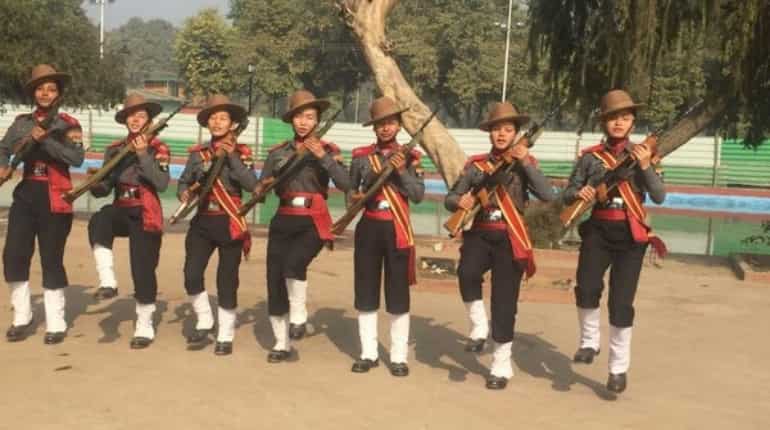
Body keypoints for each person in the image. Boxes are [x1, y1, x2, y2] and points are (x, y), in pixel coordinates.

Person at [445, 101, 555, 389]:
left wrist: (527, 161)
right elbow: (450, 198)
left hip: (510, 236)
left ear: (517, 133)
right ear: (489, 133)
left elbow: (547, 194)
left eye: (508, 129)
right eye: (496, 129)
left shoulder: (525, 166)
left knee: (504, 303)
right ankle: (479, 325)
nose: (502, 135)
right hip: (480, 232)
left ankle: (501, 365)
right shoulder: (476, 165)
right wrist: (461, 201)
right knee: (466, 274)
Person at [563, 89, 666, 393]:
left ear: (633, 122)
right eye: (612, 118)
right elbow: (568, 192)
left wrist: (645, 166)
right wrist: (577, 194)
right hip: (598, 229)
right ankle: (589, 342)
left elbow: (659, 196)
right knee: (586, 287)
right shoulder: (590, 158)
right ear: (603, 123)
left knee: (621, 304)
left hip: (631, 236)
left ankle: (618, 368)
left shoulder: (645, 155)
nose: (619, 123)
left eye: (625, 117)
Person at [259, 90, 351, 363]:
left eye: (310, 117)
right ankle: (281, 343)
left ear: (318, 121)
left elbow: (346, 184)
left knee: (295, 264)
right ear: (291, 120)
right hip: (284, 218)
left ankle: (298, 315)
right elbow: (261, 186)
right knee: (275, 279)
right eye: (299, 116)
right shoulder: (278, 153)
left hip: (313, 220)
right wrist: (261, 186)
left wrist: (322, 156)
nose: (303, 122)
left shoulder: (329, 151)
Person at [0, 64, 85, 344]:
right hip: (26, 195)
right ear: (33, 92)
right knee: (13, 255)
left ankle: (56, 323)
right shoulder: (22, 122)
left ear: (58, 93)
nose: (45, 93)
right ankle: (22, 316)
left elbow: (75, 159)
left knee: (51, 258)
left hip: (55, 197)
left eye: (51, 88)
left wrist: (46, 139)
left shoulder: (68, 124)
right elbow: (3, 148)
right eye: (40, 88)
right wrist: (2, 165)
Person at [347, 97, 425, 377]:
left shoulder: (412, 158)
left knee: (398, 293)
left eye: (391, 122)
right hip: (369, 226)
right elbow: (350, 194)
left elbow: (417, 195)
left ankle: (399, 356)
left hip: (397, 227)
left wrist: (401, 169)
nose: (386, 128)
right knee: (366, 291)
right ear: (374, 127)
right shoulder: (360, 157)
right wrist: (355, 197)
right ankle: (367, 353)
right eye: (381, 123)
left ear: (399, 125)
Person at [87, 93, 171, 349]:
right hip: (121, 208)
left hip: (145, 211)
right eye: (131, 115)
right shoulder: (115, 149)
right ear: (125, 120)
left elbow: (162, 183)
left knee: (143, 269)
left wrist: (144, 153)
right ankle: (108, 280)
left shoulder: (159, 148)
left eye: (141, 115)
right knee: (99, 220)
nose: (135, 119)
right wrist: (95, 184)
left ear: (149, 120)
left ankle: (144, 325)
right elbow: (105, 187)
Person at [178, 94, 258, 356]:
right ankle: (204, 319)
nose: (217, 122)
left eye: (222, 117)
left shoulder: (243, 152)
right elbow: (183, 182)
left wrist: (231, 157)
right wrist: (184, 193)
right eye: (212, 117)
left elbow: (251, 185)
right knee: (191, 274)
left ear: (233, 124)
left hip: (229, 221)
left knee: (226, 280)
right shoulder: (198, 154)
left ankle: (225, 334)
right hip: (202, 221)